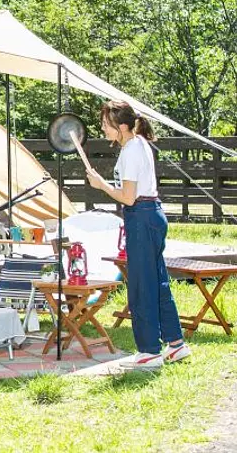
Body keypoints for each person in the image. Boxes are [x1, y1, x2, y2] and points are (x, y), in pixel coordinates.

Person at [86, 101, 190, 370]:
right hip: (151, 215)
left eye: (106, 125)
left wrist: (101, 185)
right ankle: (176, 343)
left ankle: (149, 351)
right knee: (158, 283)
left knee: (142, 286)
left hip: (142, 216)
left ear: (122, 127)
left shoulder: (131, 150)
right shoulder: (139, 143)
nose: (103, 129)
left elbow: (128, 197)